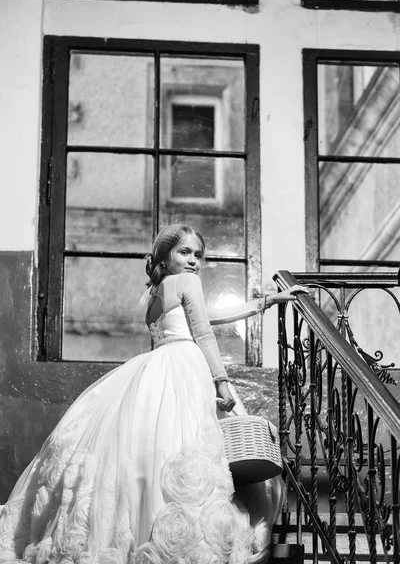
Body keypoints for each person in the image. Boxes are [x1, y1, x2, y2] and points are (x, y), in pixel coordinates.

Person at [0, 224, 308, 564]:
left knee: (148, 456)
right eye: (185, 252)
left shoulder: (156, 293)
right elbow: (203, 333)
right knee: (181, 449)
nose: (193, 261)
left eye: (198, 255)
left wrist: (262, 303)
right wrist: (220, 380)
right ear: (166, 256)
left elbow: (205, 316)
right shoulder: (187, 283)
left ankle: (139, 539)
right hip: (185, 367)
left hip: (153, 368)